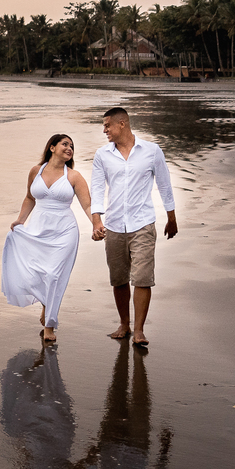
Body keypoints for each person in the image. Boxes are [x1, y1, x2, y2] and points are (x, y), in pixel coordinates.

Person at [90, 107, 178, 347]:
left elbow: (164, 184)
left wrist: (172, 217)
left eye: (107, 125)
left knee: (142, 278)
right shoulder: (102, 155)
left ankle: (139, 330)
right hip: (114, 225)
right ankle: (124, 323)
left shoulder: (151, 151)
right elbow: (97, 189)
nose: (104, 130)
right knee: (118, 278)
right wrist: (96, 220)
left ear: (123, 124)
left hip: (143, 224)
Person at [2, 134, 96, 342]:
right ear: (52, 147)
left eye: (72, 146)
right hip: (38, 228)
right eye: (65, 144)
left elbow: (88, 205)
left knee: (54, 276)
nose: (69, 148)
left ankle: (50, 325)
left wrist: (96, 224)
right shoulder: (36, 171)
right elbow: (29, 197)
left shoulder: (73, 176)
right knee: (36, 273)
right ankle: (47, 304)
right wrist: (20, 220)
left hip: (64, 231)